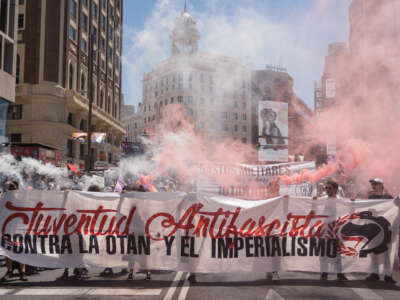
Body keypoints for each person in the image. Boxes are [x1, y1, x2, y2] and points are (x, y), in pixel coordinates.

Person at [315, 180, 348, 281]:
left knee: (337, 251)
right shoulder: (323, 199)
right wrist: (314, 200)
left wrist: (353, 202)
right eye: (326, 188)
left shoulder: (341, 200)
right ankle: (324, 273)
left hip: (337, 228)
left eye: (330, 188)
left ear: (335, 189)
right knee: (324, 250)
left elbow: (349, 210)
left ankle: (339, 273)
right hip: (325, 228)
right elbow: (314, 207)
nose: (327, 190)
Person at [365, 178, 396, 284]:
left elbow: (395, 210)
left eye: (375, 184)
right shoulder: (371, 197)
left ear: (381, 185)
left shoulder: (389, 198)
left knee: (386, 253)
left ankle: (387, 275)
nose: (373, 186)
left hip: (386, 230)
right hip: (374, 230)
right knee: (373, 253)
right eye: (372, 184)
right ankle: (374, 274)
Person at [0, 181, 28, 282]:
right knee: (7, 250)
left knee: (20, 249)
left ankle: (22, 272)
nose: (11, 189)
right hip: (6, 228)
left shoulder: (22, 198)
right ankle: (9, 271)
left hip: (19, 228)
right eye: (9, 188)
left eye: (13, 187)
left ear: (17, 188)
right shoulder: (3, 197)